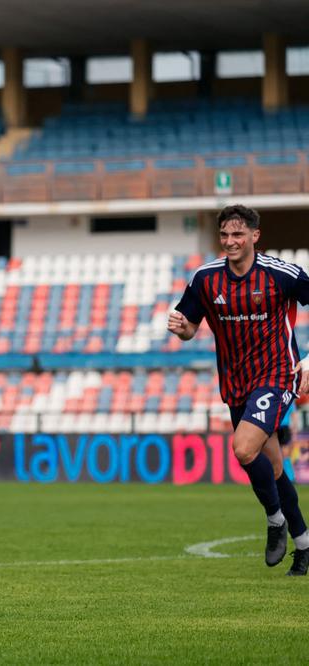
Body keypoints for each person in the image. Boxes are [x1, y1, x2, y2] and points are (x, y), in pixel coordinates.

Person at [169, 204, 309, 576]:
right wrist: (180, 327)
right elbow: (189, 328)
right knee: (274, 467)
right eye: (225, 236)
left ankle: (275, 519)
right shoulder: (205, 278)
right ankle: (304, 544)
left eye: (238, 235)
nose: (231, 242)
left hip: (277, 375)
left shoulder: (283, 274)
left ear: (254, 236)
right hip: (235, 383)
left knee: (243, 448)